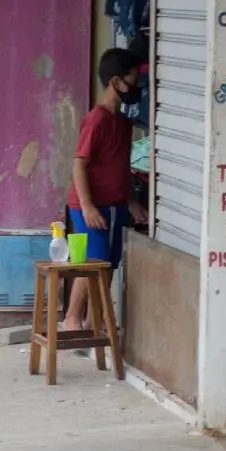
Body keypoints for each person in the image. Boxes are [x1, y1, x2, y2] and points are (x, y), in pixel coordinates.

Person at [62, 47, 148, 333]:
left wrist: (131, 201)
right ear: (116, 82)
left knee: (107, 264)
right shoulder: (97, 120)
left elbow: (120, 167)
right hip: (90, 205)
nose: (137, 87)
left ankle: (93, 322)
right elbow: (79, 164)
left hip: (115, 204)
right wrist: (88, 206)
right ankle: (72, 319)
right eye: (133, 80)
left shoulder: (122, 123)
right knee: (93, 262)